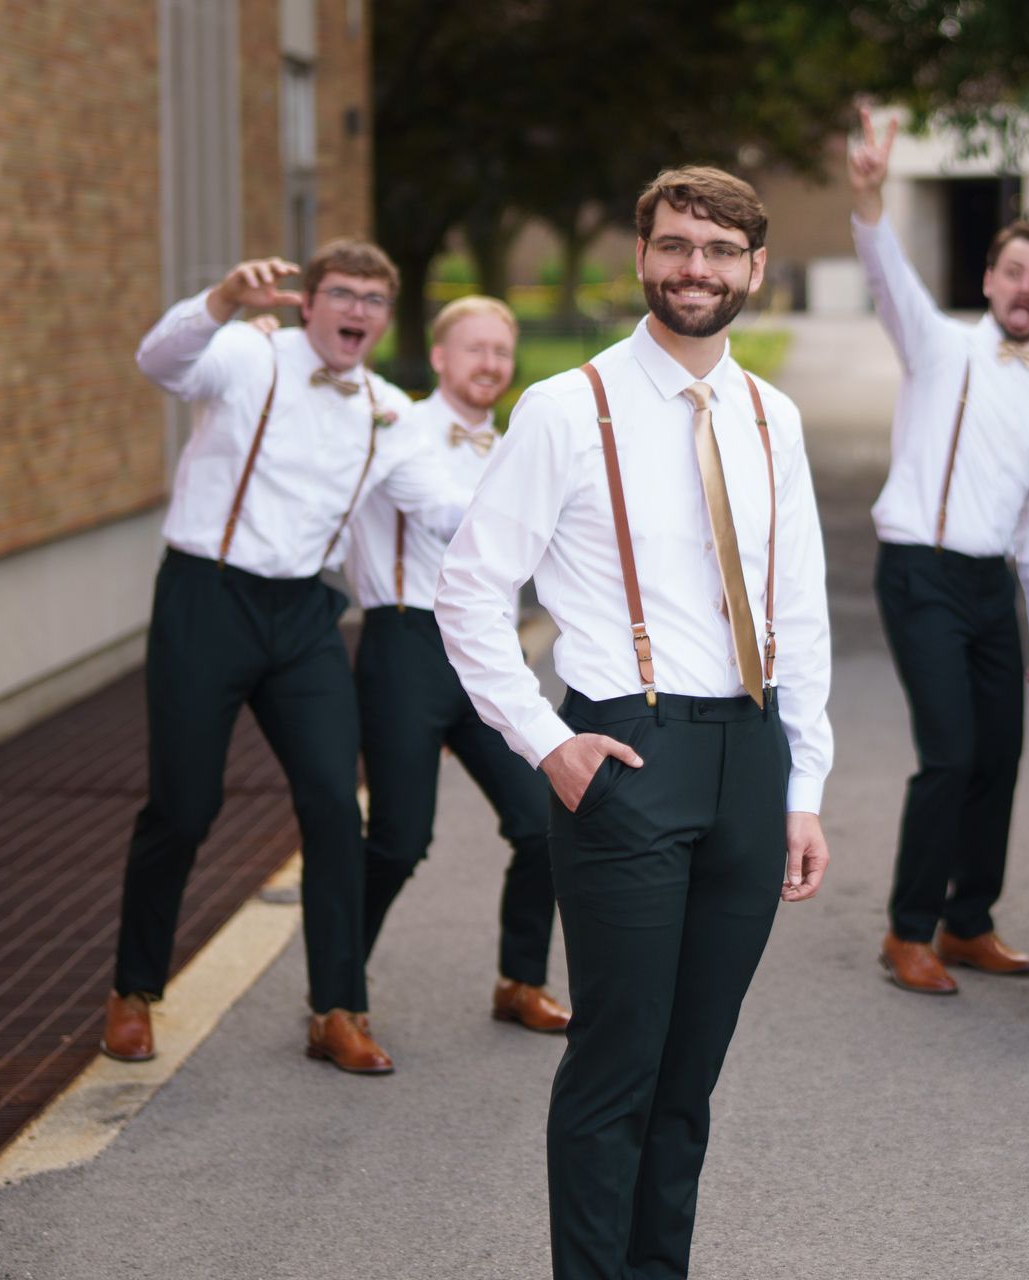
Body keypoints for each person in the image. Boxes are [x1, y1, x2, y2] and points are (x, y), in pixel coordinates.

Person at [435, 166, 832, 1280]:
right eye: (673, 246)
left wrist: (803, 788)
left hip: (752, 754)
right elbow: (468, 590)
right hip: (625, 750)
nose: (693, 269)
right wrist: (546, 741)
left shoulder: (770, 415)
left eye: (716, 250)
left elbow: (797, 610)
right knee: (617, 1067)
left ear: (754, 266)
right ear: (642, 258)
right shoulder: (566, 408)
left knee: (689, 1078)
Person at [105, 241, 469, 1075]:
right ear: (309, 303)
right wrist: (221, 299)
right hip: (208, 595)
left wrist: (545, 499)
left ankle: (336, 1009)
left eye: (375, 299)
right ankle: (133, 991)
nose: (359, 310)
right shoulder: (246, 354)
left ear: (384, 316)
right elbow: (158, 361)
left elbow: (445, 509)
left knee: (337, 810)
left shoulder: (386, 407)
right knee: (185, 807)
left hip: (304, 614)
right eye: (342, 293)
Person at [848, 104, 1029, 994]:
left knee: (1000, 757)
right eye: (1012, 271)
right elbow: (886, 272)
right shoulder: (940, 348)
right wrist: (868, 193)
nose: (1025, 288)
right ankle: (906, 930)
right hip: (919, 571)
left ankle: (967, 921)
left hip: (993, 590)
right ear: (988, 280)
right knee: (949, 753)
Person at [341, 295, 569, 1034]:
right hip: (408, 642)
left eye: (502, 352)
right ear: (439, 357)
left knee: (543, 822)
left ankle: (520, 980)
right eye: (475, 349)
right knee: (400, 838)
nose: (490, 365)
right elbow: (451, 516)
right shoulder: (400, 432)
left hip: (489, 653)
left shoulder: (507, 445)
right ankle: (338, 995)